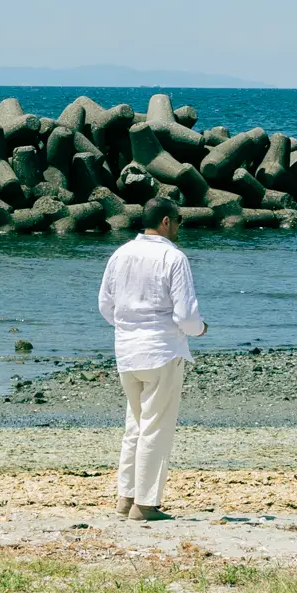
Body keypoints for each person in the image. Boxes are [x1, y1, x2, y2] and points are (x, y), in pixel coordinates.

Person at [97, 202, 205, 520]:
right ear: (166, 221)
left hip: (127, 350)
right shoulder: (173, 256)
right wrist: (199, 331)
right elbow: (185, 314)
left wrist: (129, 327)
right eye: (179, 221)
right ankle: (145, 504)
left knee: (135, 426)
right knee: (156, 428)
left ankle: (125, 497)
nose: (180, 228)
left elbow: (106, 304)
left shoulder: (121, 254)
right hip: (162, 350)